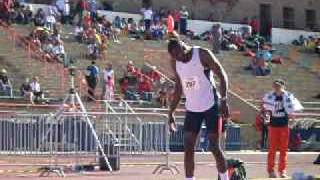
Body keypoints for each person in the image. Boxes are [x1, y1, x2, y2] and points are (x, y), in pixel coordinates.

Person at [167, 33, 230, 180]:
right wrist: (171, 112)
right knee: (188, 148)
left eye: (179, 54)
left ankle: (225, 177)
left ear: (183, 46)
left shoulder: (201, 54)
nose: (178, 58)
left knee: (214, 146)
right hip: (192, 109)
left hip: (211, 105)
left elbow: (222, 75)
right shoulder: (175, 62)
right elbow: (178, 87)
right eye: (174, 56)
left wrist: (224, 100)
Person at [262, 79, 303, 178]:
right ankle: (271, 170)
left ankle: (282, 170)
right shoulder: (269, 96)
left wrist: (292, 115)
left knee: (283, 149)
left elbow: (293, 109)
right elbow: (264, 108)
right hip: (273, 125)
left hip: (284, 125)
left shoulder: (288, 96)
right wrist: (266, 117)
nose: (277, 88)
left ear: (283, 86)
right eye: (275, 86)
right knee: (272, 149)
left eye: (279, 86)